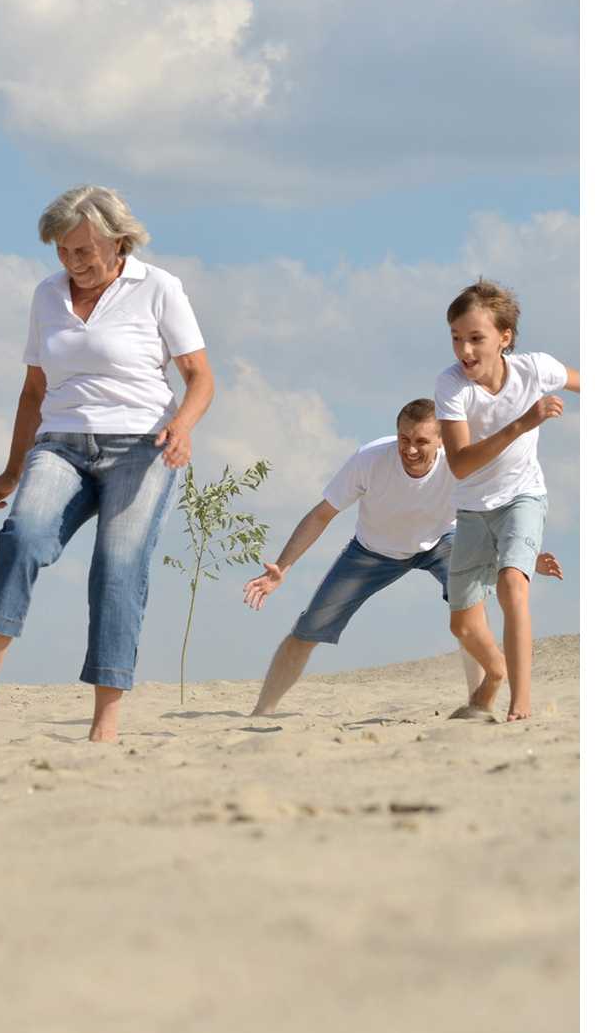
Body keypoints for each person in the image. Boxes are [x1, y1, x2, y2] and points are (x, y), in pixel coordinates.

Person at [0, 185, 214, 743]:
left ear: (118, 241)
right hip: (61, 445)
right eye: (62, 250)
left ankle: (104, 723)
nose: (72, 261)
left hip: (141, 447)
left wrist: (182, 427)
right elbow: (34, 391)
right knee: (22, 537)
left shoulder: (158, 288)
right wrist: (12, 471)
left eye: (83, 250)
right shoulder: (47, 295)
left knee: (117, 568)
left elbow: (200, 377)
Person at [243, 398, 561, 720]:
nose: (410, 449)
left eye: (421, 441)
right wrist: (281, 567)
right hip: (372, 551)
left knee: (470, 612)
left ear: (442, 440)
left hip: (442, 541)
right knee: (309, 626)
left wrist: (526, 555)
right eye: (404, 439)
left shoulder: (460, 464)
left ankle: (478, 705)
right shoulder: (369, 459)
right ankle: (262, 711)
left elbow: (495, 511)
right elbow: (321, 515)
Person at [435, 279, 578, 722]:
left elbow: (581, 380)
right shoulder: (452, 386)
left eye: (476, 338)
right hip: (473, 510)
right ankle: (495, 673)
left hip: (523, 497)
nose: (464, 350)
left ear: (504, 337)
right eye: (456, 338)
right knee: (462, 625)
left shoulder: (535, 369)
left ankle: (521, 704)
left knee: (512, 585)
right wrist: (521, 424)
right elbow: (460, 464)